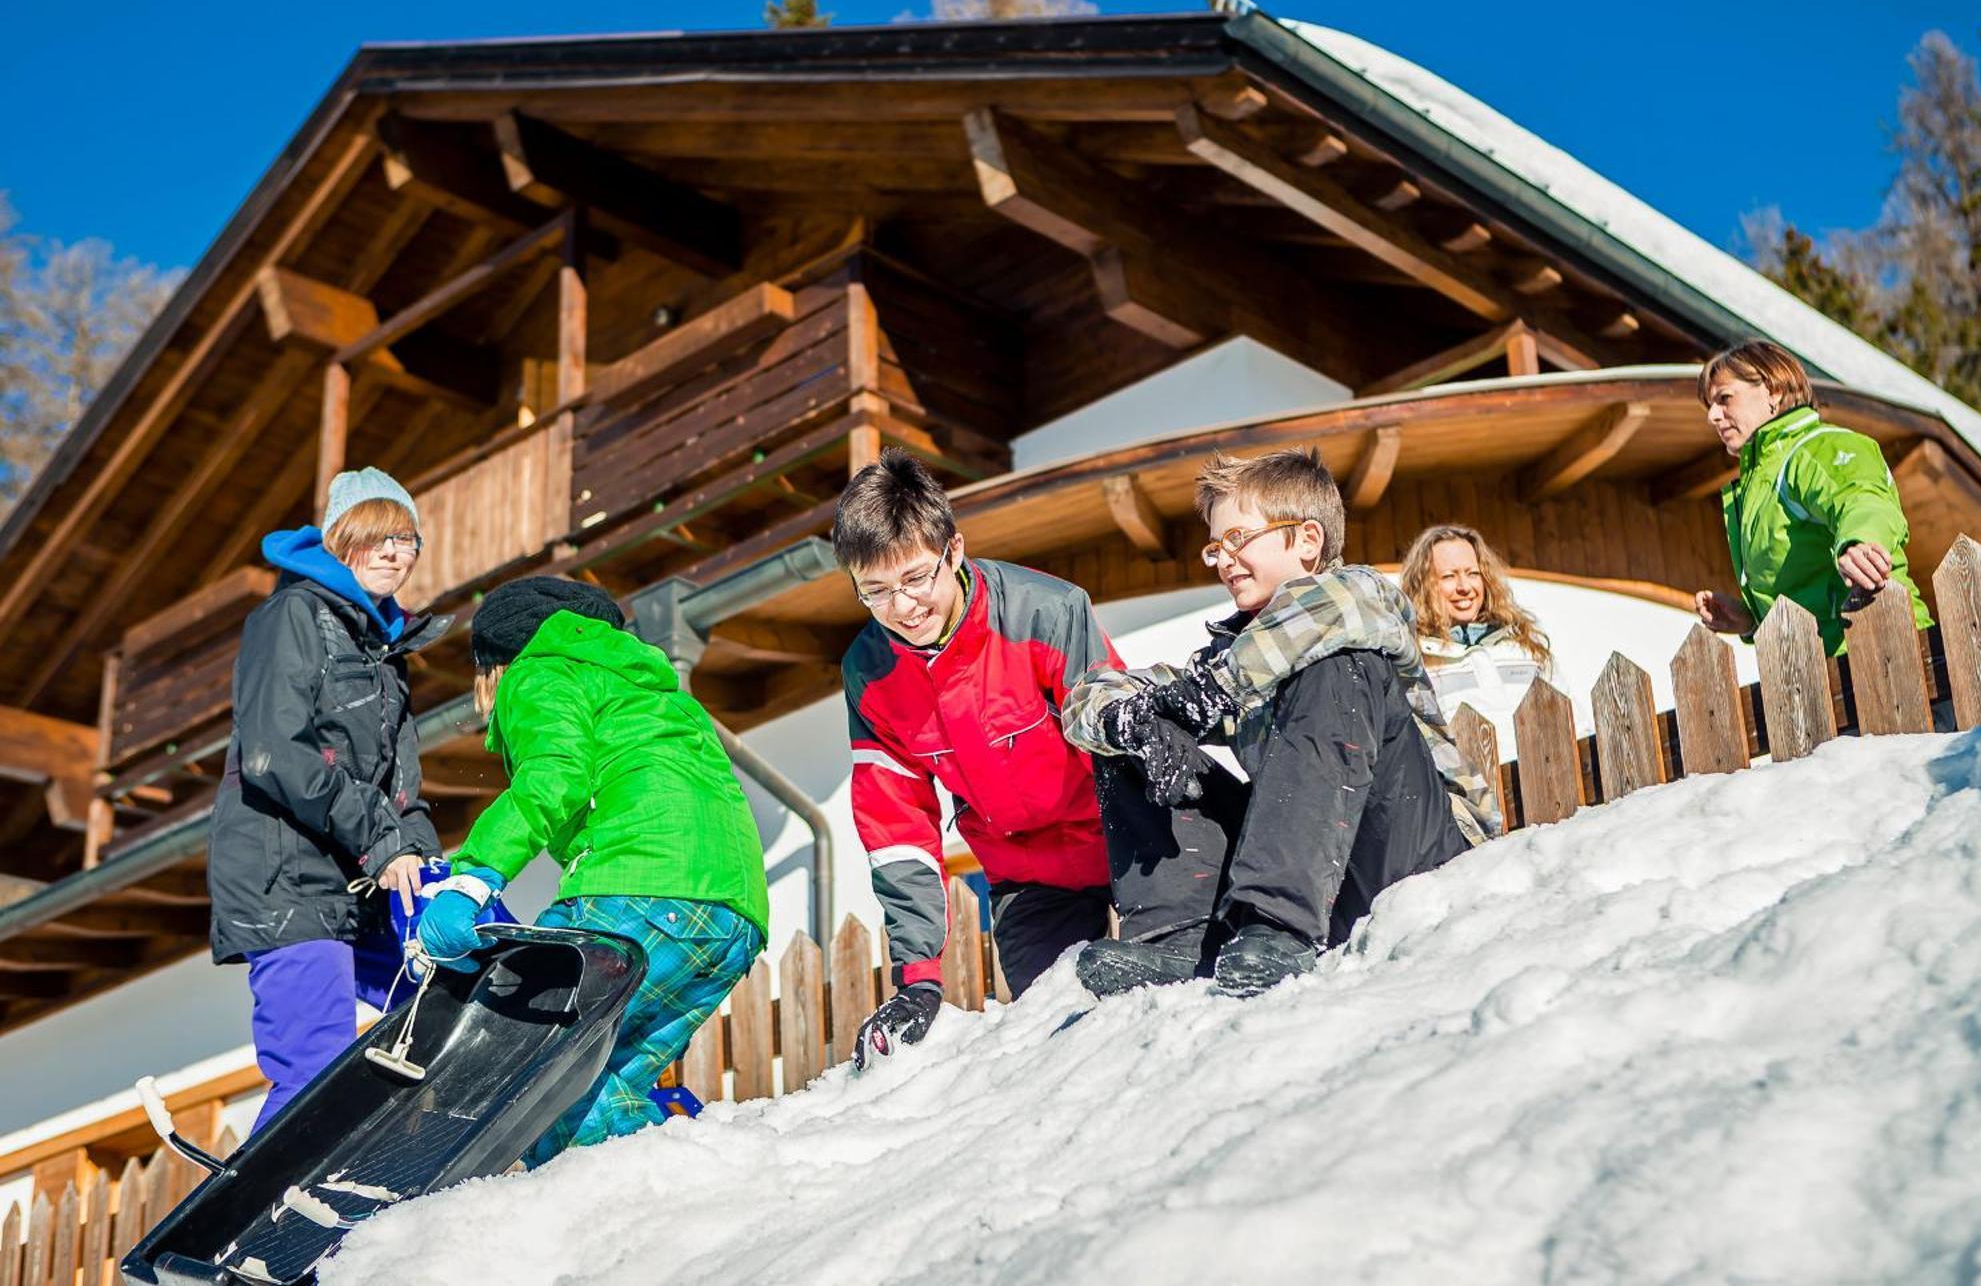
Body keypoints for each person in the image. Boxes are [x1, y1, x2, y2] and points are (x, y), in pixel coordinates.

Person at [1062, 448, 1500, 997]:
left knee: (1334, 663)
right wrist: (1136, 722)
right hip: (1322, 876)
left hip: (1417, 856)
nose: (1224, 560)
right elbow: (1089, 695)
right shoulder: (1237, 656)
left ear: (1309, 541)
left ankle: (1278, 924)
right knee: (1138, 734)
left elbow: (1334, 611)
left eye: (1239, 539)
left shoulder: (1359, 600)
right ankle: (1181, 941)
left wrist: (1206, 694)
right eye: (1216, 547)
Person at [415, 577, 767, 1166]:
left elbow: (553, 776)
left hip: (638, 889)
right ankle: (687, 1194)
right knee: (595, 1091)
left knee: (521, 1073)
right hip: (732, 919)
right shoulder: (649, 689)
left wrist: (471, 877)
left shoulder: (539, 673)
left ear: (492, 665)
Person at [834, 450, 1133, 1065]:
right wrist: (918, 980)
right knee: (1057, 1044)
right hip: (1029, 873)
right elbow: (897, 827)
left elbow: (1117, 747)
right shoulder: (870, 672)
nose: (903, 607)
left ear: (954, 550)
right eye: (877, 591)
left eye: (916, 578)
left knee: (1177, 1006)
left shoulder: (1045, 612)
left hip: (1124, 841)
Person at [207, 468, 449, 1131]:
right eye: (381, 536)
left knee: (446, 989)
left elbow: (401, 793)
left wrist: (423, 862)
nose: (397, 552)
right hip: (286, 877)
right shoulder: (294, 614)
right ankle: (246, 1226)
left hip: (355, 879)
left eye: (409, 539)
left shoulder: (384, 650)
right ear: (343, 540)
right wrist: (381, 838)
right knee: (314, 1064)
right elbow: (272, 752)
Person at [1692, 339, 1932, 655]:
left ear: (1773, 392)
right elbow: (1805, 591)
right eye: (1709, 405)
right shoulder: (1757, 488)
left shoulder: (1815, 448)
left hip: (1889, 651)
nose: (1713, 416)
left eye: (1724, 398)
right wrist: (1751, 622)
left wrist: (1859, 541)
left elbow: (1863, 498)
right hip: (1825, 677)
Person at [1400, 524, 1561, 728]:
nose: (1464, 587)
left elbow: (1573, 722)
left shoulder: (1526, 647)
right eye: (1449, 576)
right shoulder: (1414, 662)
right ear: (1422, 586)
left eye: (1473, 573)